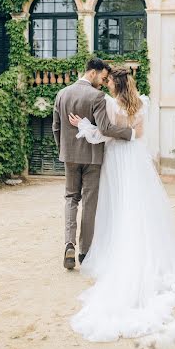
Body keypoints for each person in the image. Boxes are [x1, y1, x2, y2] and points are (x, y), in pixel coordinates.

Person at [68, 68, 175, 342]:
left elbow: (105, 133)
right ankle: (142, 241)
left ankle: (118, 244)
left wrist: (83, 126)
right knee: (138, 202)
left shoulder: (109, 103)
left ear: (116, 84)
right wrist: (120, 130)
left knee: (116, 203)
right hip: (135, 158)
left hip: (116, 157)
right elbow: (137, 133)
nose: (108, 83)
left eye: (111, 80)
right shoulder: (142, 104)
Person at [52, 58, 137, 270]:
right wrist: (130, 133)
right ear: (93, 73)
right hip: (92, 158)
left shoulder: (62, 93)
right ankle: (84, 252)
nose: (103, 81)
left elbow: (55, 127)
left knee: (71, 198)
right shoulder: (97, 96)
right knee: (90, 203)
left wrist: (63, 149)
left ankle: (68, 243)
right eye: (102, 77)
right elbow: (106, 128)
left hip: (69, 156)